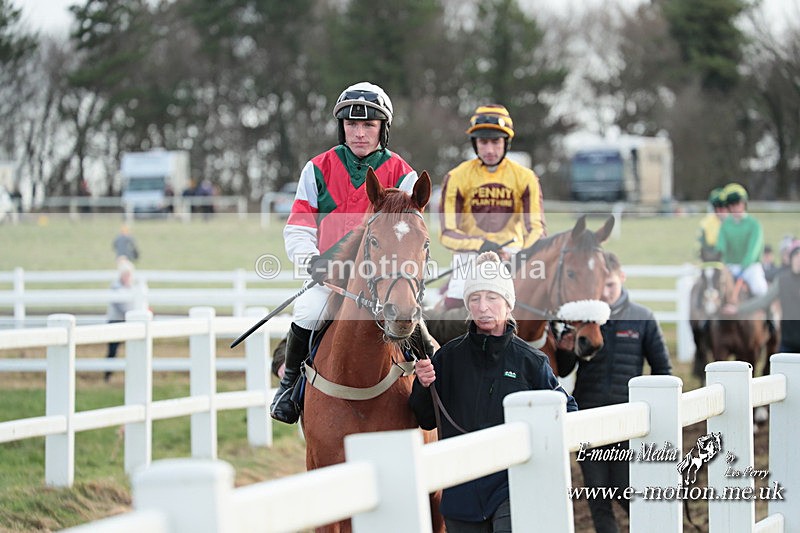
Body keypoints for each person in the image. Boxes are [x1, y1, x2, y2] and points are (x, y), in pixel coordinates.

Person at [270, 81, 420, 424]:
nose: (360, 133)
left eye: (369, 125)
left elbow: (414, 232)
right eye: (352, 125)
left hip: (385, 280)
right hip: (332, 280)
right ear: (342, 127)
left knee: (416, 323)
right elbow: (298, 227)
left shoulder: (403, 173)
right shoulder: (317, 168)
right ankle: (290, 387)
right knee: (307, 310)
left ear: (383, 128)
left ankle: (432, 389)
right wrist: (312, 263)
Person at [410, 251, 577, 533]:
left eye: (492, 298)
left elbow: (567, 413)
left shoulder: (531, 361)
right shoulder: (447, 358)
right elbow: (426, 419)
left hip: (511, 489)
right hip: (460, 492)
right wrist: (423, 385)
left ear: (508, 304)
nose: (483, 307)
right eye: (475, 299)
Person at [557, 252, 671, 533]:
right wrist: (566, 349)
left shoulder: (642, 318)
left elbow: (663, 370)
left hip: (626, 422)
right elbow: (565, 369)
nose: (605, 293)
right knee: (597, 496)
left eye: (610, 285)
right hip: (589, 416)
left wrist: (657, 416)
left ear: (622, 278)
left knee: (624, 489)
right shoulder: (583, 318)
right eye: (600, 286)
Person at [439, 104, 546, 309]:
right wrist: (480, 245)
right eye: (483, 142)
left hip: (513, 256)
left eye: (496, 142)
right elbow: (447, 233)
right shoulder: (455, 177)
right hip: (469, 258)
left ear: (507, 142)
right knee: (452, 311)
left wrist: (520, 254)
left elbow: (536, 228)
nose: (489, 149)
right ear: (474, 143)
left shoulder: (526, 177)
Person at [724, 239, 800, 353]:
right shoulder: (782, 281)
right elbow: (763, 300)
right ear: (791, 258)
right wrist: (738, 309)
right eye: (797, 256)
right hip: (788, 342)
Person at [715, 182, 767, 297]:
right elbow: (720, 247)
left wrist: (744, 266)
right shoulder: (725, 226)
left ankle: (769, 314)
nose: (734, 208)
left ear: (744, 204)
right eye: (731, 205)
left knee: (760, 289)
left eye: (737, 204)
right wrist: (721, 262)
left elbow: (753, 249)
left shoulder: (754, 224)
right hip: (730, 266)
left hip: (750, 267)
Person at [105, 258, 135, 382]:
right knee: (113, 350)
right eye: (126, 274)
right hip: (116, 321)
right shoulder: (116, 287)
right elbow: (121, 305)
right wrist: (133, 313)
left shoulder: (131, 287)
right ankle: (108, 375)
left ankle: (132, 374)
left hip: (127, 321)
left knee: (133, 348)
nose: (128, 277)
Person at [696, 187, 727, 262]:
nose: (720, 210)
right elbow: (700, 248)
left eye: (723, 206)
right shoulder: (706, 223)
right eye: (717, 206)